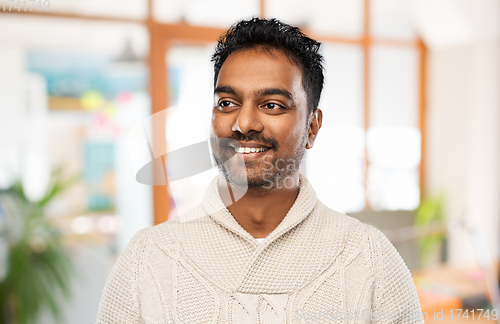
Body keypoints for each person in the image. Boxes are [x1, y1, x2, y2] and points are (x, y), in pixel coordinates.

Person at [96, 18, 423, 323]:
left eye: (272, 105)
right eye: (227, 103)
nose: (244, 124)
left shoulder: (370, 259)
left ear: (313, 126)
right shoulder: (146, 259)